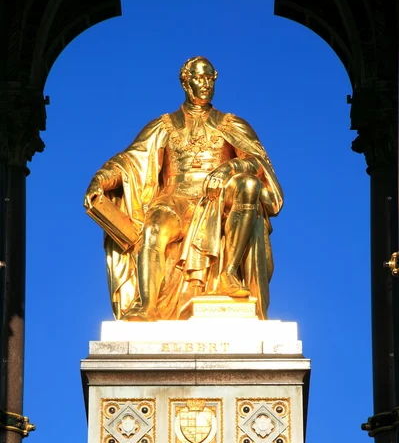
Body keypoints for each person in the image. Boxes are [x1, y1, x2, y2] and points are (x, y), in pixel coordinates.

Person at [83, 56, 283, 321]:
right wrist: (101, 180)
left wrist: (229, 168)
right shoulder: (164, 125)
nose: (206, 84)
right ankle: (146, 305)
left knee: (248, 183)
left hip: (218, 199)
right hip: (174, 199)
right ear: (185, 82)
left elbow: (258, 163)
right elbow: (129, 161)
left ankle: (228, 274)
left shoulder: (231, 124)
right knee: (153, 229)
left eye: (210, 78)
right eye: (200, 78)